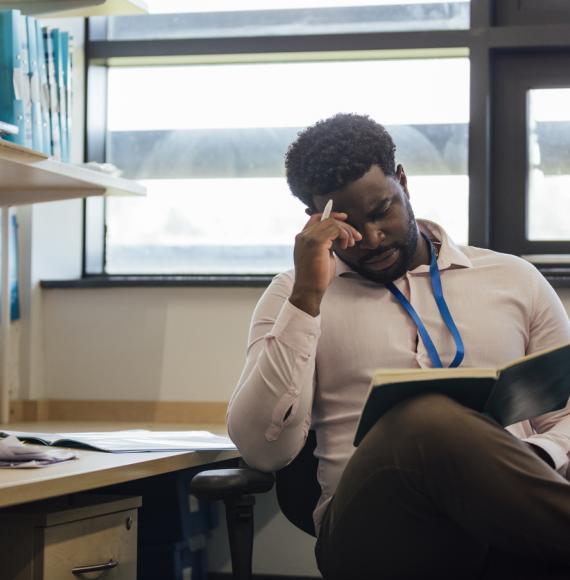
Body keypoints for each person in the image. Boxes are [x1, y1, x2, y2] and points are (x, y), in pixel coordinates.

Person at [226, 113, 570, 579]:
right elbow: (262, 452)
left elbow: (565, 414)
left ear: (403, 182)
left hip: (505, 520)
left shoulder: (514, 279)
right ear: (316, 220)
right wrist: (307, 297)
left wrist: (535, 458)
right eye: (348, 226)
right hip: (373, 532)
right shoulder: (296, 295)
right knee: (422, 418)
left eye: (381, 211)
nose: (371, 238)